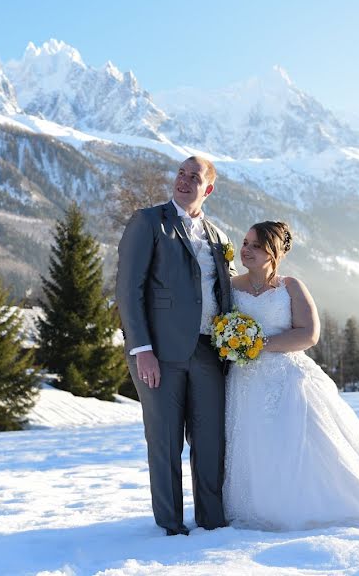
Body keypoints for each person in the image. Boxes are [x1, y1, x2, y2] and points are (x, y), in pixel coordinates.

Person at [224, 221, 359, 530]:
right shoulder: (232, 287)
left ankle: (309, 504)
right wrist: (235, 344)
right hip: (245, 381)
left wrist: (257, 345)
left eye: (255, 246)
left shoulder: (290, 287)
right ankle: (258, 506)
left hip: (287, 377)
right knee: (251, 442)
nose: (246, 250)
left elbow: (309, 334)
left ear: (273, 252)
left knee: (300, 441)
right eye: (245, 243)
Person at [116, 156, 237, 536]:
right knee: (165, 441)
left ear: (208, 189)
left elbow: (224, 293)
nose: (184, 181)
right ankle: (170, 525)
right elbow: (128, 291)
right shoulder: (149, 223)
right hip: (160, 354)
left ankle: (212, 520)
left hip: (208, 353)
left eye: (193, 176)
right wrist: (142, 350)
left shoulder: (218, 238)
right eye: (181, 174)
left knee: (210, 441)